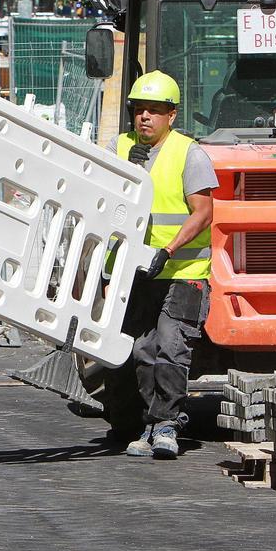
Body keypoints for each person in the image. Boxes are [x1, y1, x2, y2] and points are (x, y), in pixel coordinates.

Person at [104, 70, 217, 460]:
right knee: (141, 351)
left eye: (154, 110)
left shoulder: (189, 153)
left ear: (172, 115)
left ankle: (167, 424)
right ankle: (148, 424)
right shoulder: (119, 147)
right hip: (136, 273)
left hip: (183, 272)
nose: (145, 117)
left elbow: (203, 213)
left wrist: (167, 250)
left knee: (170, 346)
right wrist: (128, 173)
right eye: (139, 109)